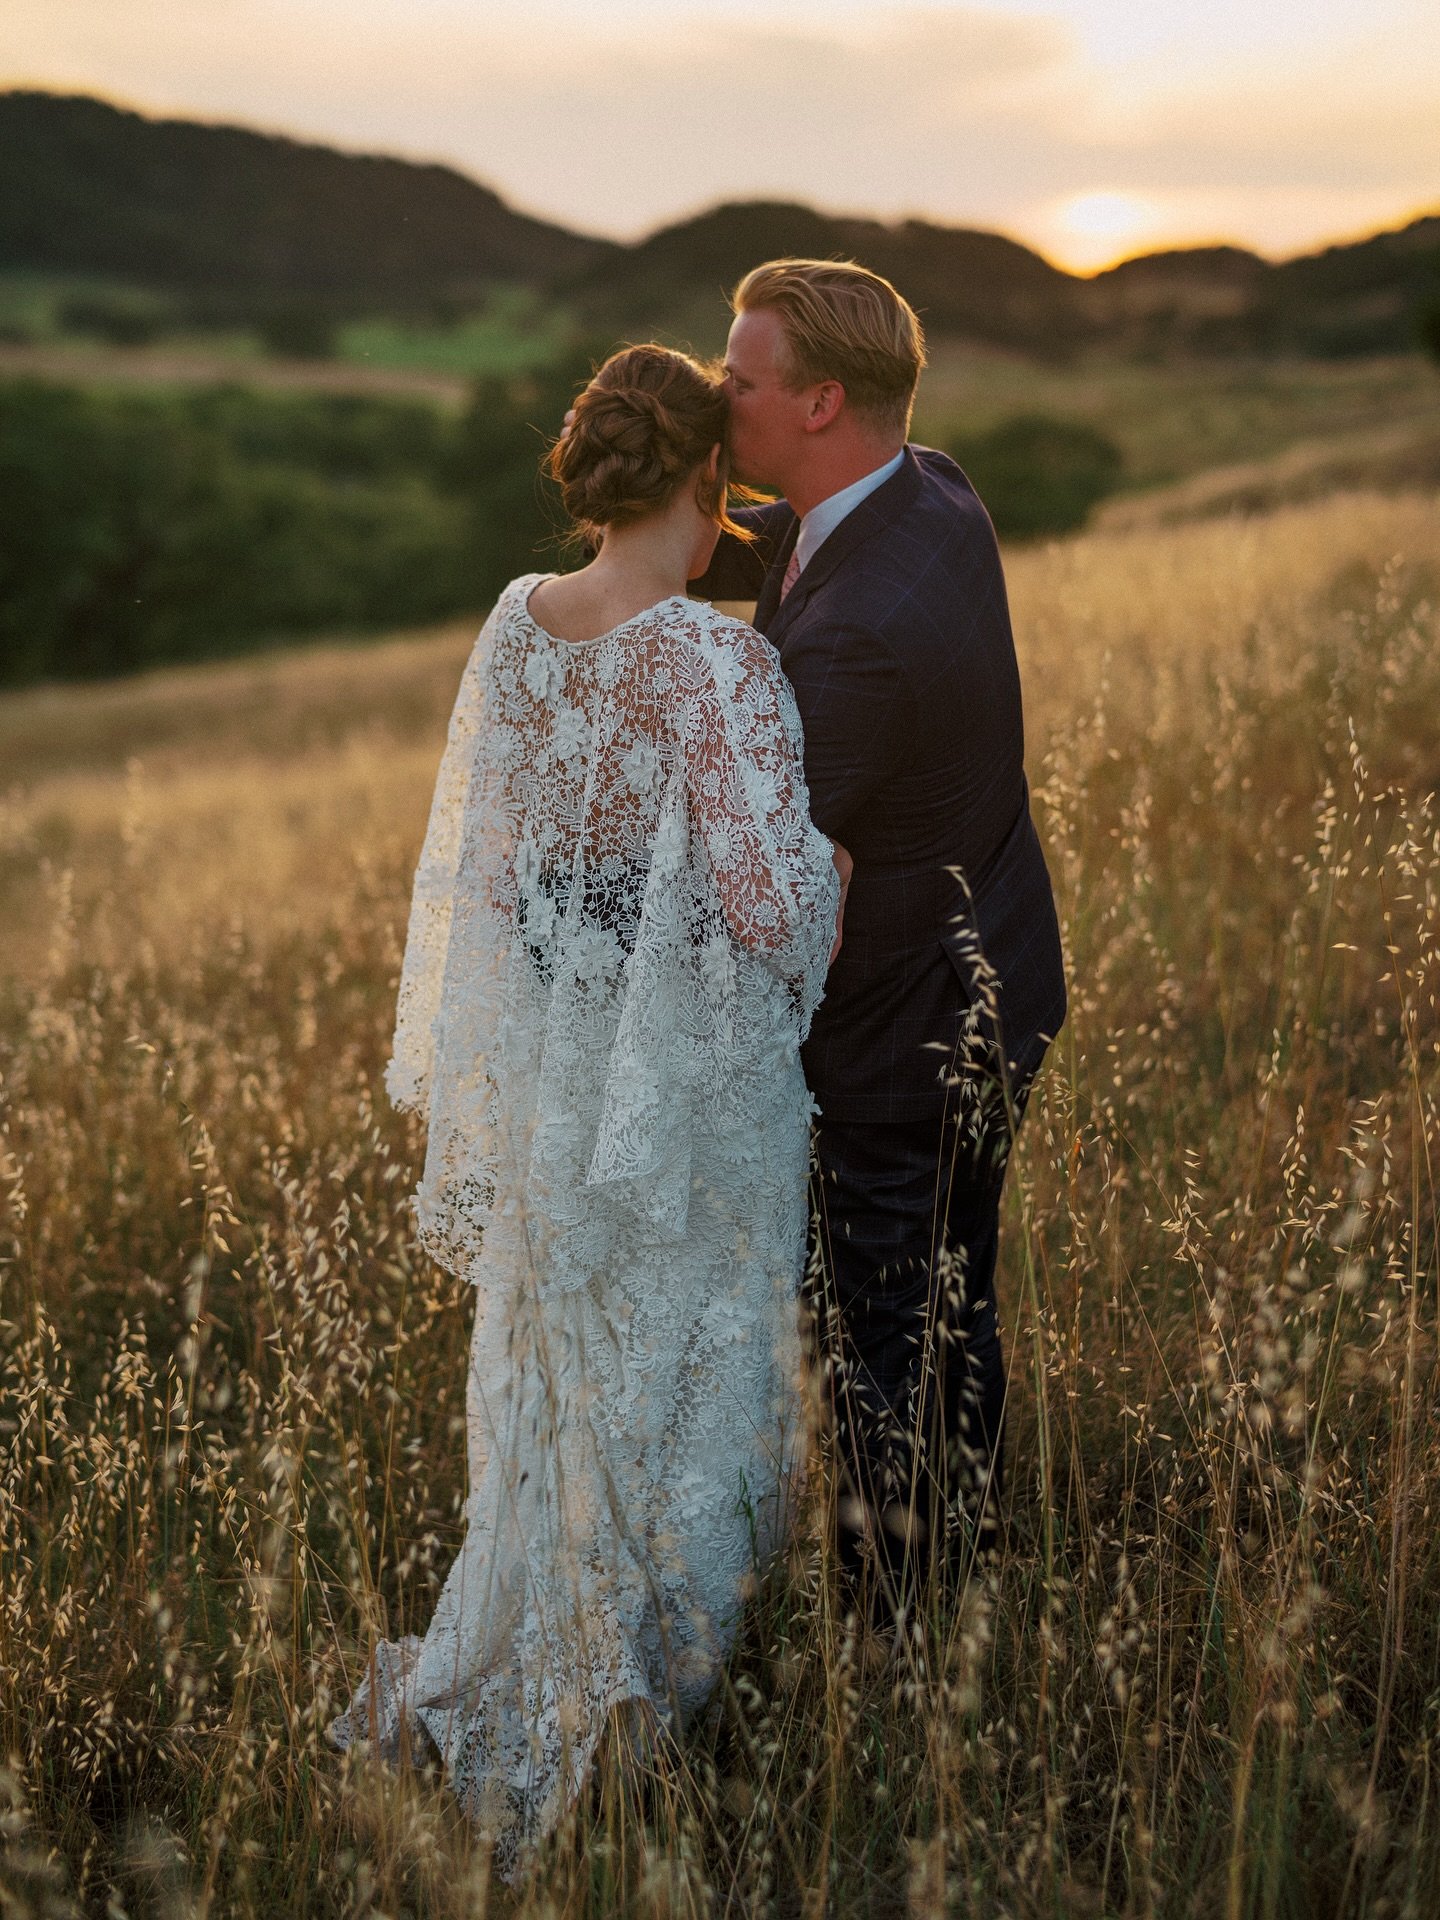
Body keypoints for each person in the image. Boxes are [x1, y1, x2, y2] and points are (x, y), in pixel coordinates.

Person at [329, 345, 844, 1874]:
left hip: (557, 1065)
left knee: (560, 1371)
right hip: (680, 1086)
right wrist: (858, 873)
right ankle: (630, 1693)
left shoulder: (514, 625)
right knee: (693, 1364)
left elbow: (483, 869)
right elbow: (764, 902)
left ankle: (530, 1656)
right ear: (711, 483)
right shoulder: (711, 659)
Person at [689, 259, 1067, 1627]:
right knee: (957, 1291)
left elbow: (755, 871)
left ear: (821, 398)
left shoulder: (857, 647)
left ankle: (899, 1624)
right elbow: (788, 551)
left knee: (878, 1327)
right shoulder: (928, 487)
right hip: (1003, 963)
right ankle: (962, 1555)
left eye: (736, 380)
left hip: (907, 1024)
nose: (713, 394)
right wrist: (649, 515)